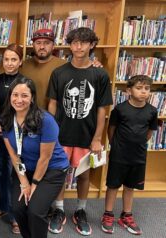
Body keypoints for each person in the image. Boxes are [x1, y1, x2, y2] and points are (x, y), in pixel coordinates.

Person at [47, 27, 113, 236]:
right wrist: (52, 133)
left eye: (84, 42)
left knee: (83, 174)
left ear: (92, 45)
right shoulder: (59, 72)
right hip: (61, 134)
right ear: (69, 45)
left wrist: (97, 139)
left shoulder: (100, 74)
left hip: (87, 135)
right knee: (59, 173)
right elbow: (53, 104)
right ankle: (58, 210)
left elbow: (102, 109)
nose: (79, 46)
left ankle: (80, 210)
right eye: (75, 42)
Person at [1, 77, 69, 238]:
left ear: (32, 98)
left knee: (35, 211)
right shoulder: (6, 120)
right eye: (15, 95)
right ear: (9, 96)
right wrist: (24, 182)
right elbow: (13, 155)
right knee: (17, 207)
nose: (19, 100)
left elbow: (45, 158)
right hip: (25, 169)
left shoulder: (45, 120)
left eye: (24, 95)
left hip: (52, 169)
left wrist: (34, 184)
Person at [101, 75, 157, 235]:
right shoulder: (120, 109)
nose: (143, 92)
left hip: (138, 156)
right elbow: (111, 130)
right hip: (119, 155)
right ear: (128, 90)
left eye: (146, 89)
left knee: (130, 186)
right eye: (139, 88)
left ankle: (126, 215)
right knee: (113, 185)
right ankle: (108, 214)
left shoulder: (152, 111)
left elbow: (149, 133)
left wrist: (137, 144)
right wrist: (116, 146)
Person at [0, 43, 24, 234]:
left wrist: (9, 127)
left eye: (14, 59)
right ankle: (3, 204)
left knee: (13, 174)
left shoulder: (25, 81)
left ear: (20, 61)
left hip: (14, 133)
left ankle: (15, 215)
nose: (9, 63)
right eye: (7, 59)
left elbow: (25, 108)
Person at [19, 29, 66, 109]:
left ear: (53, 46)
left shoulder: (63, 66)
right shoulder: (23, 65)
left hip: (53, 117)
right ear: (33, 45)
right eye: (38, 43)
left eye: (47, 43)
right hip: (27, 114)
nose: (42, 47)